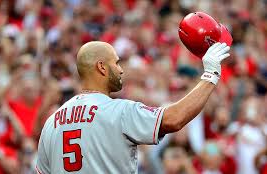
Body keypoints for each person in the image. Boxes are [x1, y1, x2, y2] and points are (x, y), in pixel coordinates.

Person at [36, 41, 230, 173]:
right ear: (102, 67)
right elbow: (174, 119)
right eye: (116, 63)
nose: (121, 69)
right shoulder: (119, 111)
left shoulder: (52, 122)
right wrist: (210, 75)